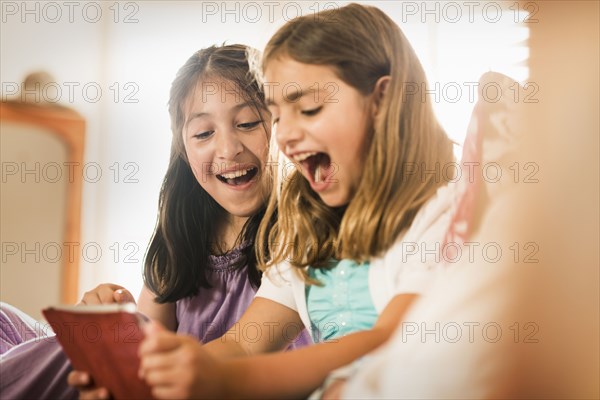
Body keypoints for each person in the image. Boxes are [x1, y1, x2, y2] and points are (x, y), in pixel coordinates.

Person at [136, 4, 458, 399]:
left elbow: (388, 339)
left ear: (382, 101)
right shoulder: (307, 230)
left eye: (308, 109)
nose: (284, 135)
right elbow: (241, 345)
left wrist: (226, 382)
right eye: (277, 116)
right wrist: (153, 380)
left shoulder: (443, 212)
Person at [1, 43, 298, 400]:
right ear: (184, 151)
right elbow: (145, 339)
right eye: (204, 133)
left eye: (248, 123)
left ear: (281, 128)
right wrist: (109, 325)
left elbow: (241, 350)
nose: (228, 148)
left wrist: (126, 354)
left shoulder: (299, 231)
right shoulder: (181, 233)